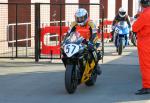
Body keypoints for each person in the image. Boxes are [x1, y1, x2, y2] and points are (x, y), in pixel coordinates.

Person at [63, 8, 101, 75]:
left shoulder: (91, 23)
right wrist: (64, 41)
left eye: (82, 18)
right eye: (78, 18)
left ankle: (96, 65)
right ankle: (73, 68)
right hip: (78, 41)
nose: (80, 20)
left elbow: (94, 34)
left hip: (91, 40)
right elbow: (68, 33)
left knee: (92, 49)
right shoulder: (73, 24)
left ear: (86, 16)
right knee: (65, 52)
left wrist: (91, 42)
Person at [132, 0, 150, 95]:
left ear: (142, 4)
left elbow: (134, 27)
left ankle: (147, 87)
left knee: (145, 65)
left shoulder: (145, 14)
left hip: (145, 41)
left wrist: (138, 19)